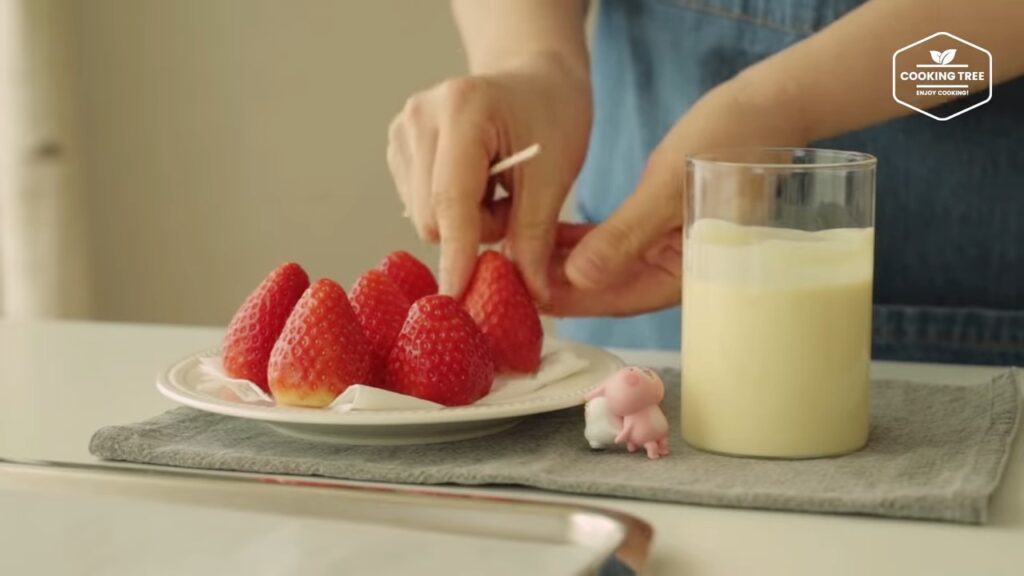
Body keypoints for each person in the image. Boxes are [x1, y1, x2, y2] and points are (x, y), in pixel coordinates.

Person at [386, 0, 1024, 365]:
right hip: (643, 316)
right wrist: (533, 59)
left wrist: (784, 105)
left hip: (965, 314)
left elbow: (967, 53)